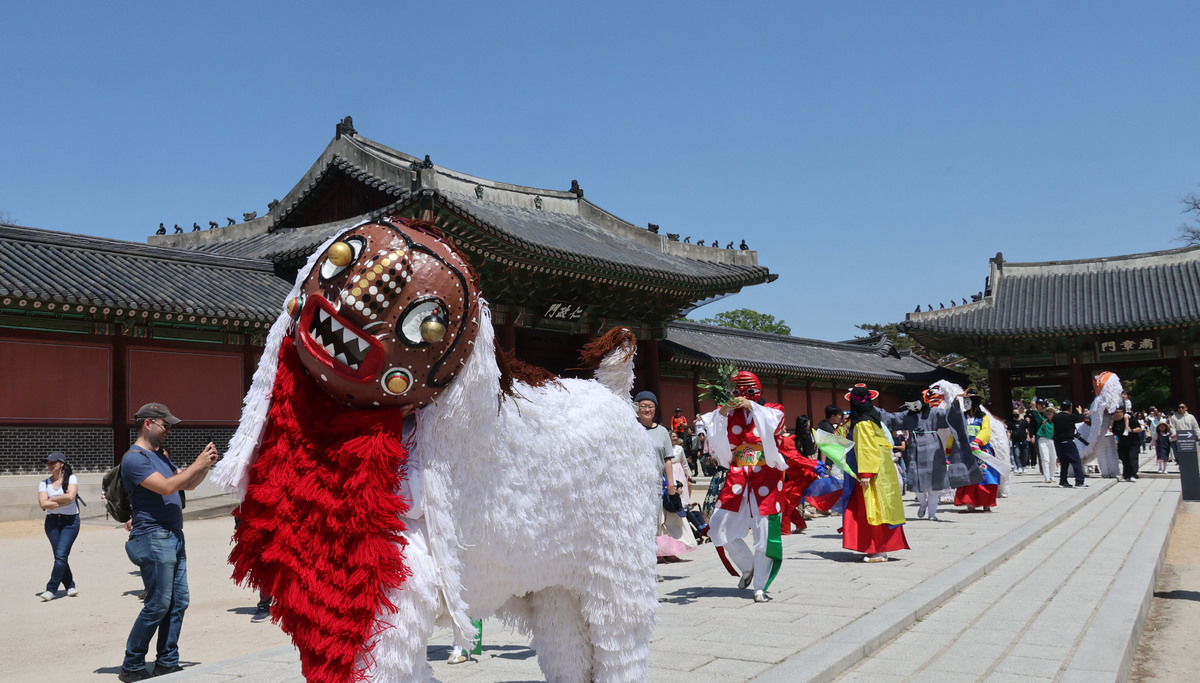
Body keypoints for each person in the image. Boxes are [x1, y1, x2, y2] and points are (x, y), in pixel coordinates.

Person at [118, 403, 219, 682]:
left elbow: (187, 484)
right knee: (158, 603)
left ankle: (167, 661)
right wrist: (197, 463)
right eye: (166, 425)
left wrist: (205, 466)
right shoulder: (134, 458)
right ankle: (133, 664)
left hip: (173, 537)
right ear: (148, 423)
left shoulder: (160, 456)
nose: (169, 430)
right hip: (153, 537)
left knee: (178, 602)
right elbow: (165, 487)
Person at [699, 371, 789, 602]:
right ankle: (747, 565)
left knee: (764, 531)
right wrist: (725, 410)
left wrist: (751, 405)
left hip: (766, 478)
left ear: (759, 392)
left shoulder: (771, 409)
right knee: (717, 525)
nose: (743, 396)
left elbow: (774, 421)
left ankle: (760, 585)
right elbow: (711, 423)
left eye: (750, 391)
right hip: (738, 475)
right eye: (738, 391)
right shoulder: (728, 414)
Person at [840, 384, 908, 562]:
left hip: (870, 473)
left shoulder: (862, 424)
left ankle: (877, 549)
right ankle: (878, 547)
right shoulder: (874, 420)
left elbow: (867, 449)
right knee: (883, 507)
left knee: (872, 510)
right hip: (883, 471)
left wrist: (866, 474)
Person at [37, 451, 81, 601]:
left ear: (61, 463)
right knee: (59, 556)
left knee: (61, 555)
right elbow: (43, 503)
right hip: (52, 522)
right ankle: (70, 585)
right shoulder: (44, 483)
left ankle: (51, 589)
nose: (49, 466)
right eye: (48, 463)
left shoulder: (71, 478)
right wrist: (63, 500)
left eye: (52, 463)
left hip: (71, 522)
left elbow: (71, 496)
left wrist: (53, 499)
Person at [951, 392, 1001, 511]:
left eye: (968, 401)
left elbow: (986, 431)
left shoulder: (983, 418)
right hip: (966, 450)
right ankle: (970, 502)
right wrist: (949, 449)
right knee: (967, 476)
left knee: (986, 475)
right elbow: (955, 431)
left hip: (980, 449)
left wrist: (976, 442)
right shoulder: (961, 417)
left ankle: (986, 503)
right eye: (965, 401)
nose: (966, 404)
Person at [1052, 400, 1087, 488]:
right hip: (1068, 442)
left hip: (1058, 443)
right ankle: (1079, 481)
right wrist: (1079, 412)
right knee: (1076, 461)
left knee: (1064, 463)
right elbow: (1082, 418)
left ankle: (1063, 481)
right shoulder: (1070, 417)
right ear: (1070, 408)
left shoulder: (1055, 417)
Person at [1111, 406, 1143, 482]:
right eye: (1115, 412)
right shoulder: (1114, 421)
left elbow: (1139, 429)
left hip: (1133, 442)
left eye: (1118, 412)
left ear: (1122, 413)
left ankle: (1133, 474)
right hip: (1122, 443)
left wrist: (1131, 430)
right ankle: (1126, 475)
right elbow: (1114, 432)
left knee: (1132, 457)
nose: (1116, 414)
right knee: (1124, 459)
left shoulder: (1130, 419)